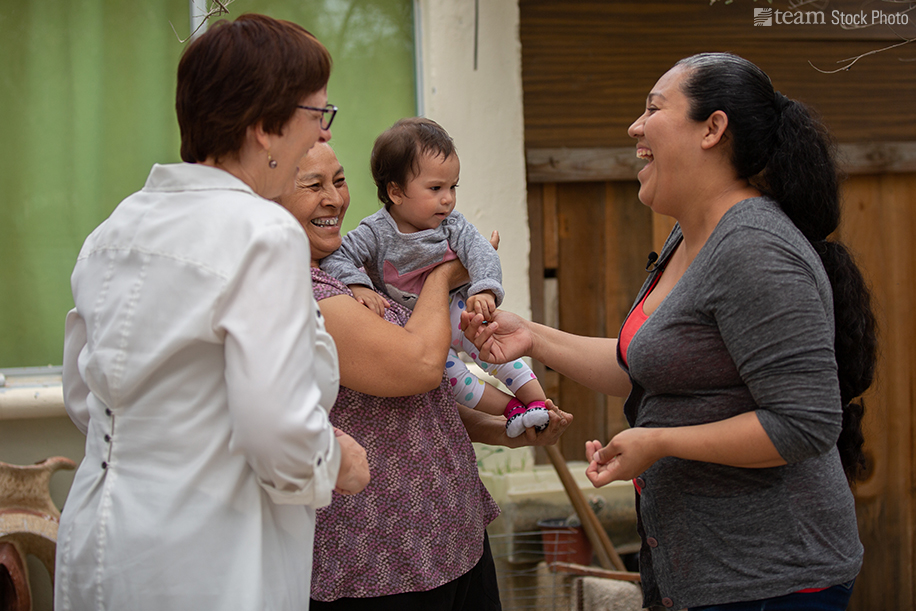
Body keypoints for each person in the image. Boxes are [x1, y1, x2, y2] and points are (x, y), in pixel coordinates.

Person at [462, 52, 877, 611]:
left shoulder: (754, 248)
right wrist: (531, 336)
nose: (635, 125)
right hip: (701, 576)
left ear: (713, 128)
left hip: (770, 581)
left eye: (654, 108)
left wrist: (659, 442)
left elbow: (806, 423)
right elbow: (646, 366)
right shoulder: (688, 236)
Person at [56, 15, 369, 611]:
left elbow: (84, 397)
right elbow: (276, 432)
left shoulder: (114, 230)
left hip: (99, 546)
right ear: (264, 128)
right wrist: (334, 462)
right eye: (317, 116)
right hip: (210, 562)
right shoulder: (263, 234)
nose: (320, 138)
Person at [276, 142, 573, 610]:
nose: (334, 198)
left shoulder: (357, 274)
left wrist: (503, 432)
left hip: (453, 538)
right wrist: (441, 276)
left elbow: (418, 404)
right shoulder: (301, 289)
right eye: (313, 185)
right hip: (379, 560)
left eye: (338, 180)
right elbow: (419, 368)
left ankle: (526, 403)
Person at [320, 117, 549, 438]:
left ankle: (538, 404)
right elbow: (338, 256)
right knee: (451, 378)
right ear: (396, 192)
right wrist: (358, 285)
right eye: (435, 188)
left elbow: (481, 251)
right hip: (419, 328)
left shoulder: (452, 225)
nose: (448, 199)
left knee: (494, 346)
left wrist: (485, 288)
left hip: (458, 308)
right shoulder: (375, 232)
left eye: (453, 187)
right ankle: (510, 410)